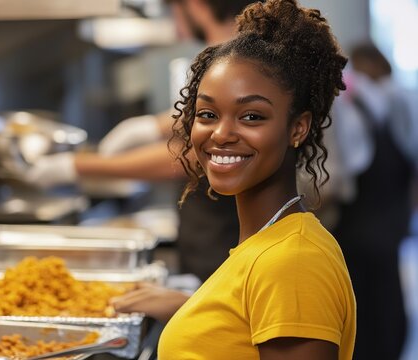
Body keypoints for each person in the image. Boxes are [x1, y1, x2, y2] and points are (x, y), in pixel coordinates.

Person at [141, 0, 355, 358]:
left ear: (297, 128)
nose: (221, 134)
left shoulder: (293, 262)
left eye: (252, 116)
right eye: (207, 113)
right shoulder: (266, 243)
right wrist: (195, 309)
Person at [27, 1, 258, 284]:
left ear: (194, 4)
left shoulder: (241, 60)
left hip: (230, 245)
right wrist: (151, 127)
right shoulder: (237, 56)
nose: (174, 24)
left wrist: (82, 166)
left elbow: (204, 153)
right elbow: (210, 117)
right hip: (217, 243)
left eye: (172, 10)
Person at [328, 42, 418, 360]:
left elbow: (339, 179)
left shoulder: (360, 106)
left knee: (366, 315)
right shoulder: (397, 104)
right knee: (387, 308)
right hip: (388, 224)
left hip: (360, 228)